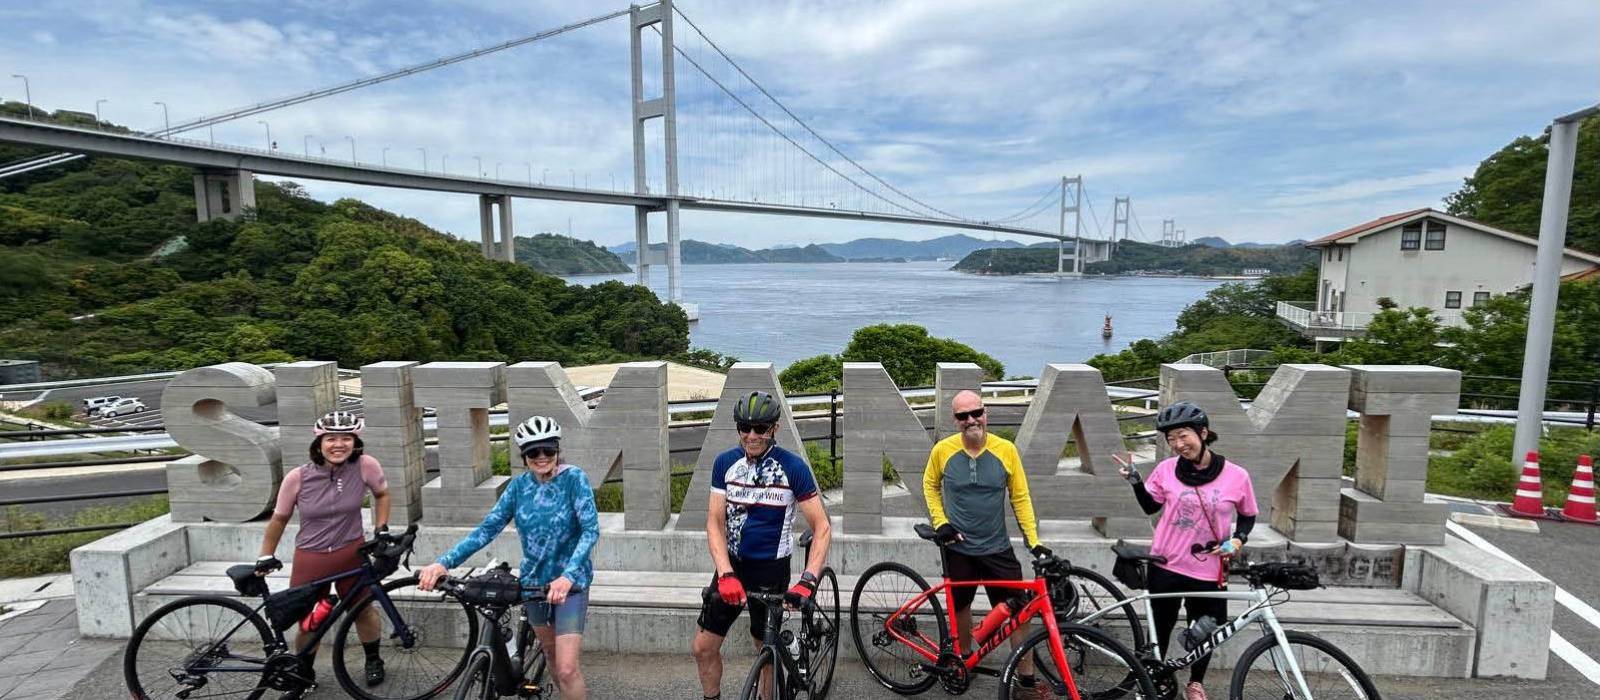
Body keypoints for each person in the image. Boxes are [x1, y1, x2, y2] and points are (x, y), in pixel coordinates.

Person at [418, 416, 600, 700]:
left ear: (557, 450)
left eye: (548, 450)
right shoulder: (518, 488)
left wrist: (568, 576)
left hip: (571, 583)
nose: (542, 457)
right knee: (551, 655)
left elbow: (590, 531)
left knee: (566, 668)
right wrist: (443, 561)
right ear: (524, 456)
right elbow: (486, 530)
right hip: (533, 584)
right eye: (533, 452)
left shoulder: (574, 479)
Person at [691, 391, 832, 700]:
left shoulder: (792, 468)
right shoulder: (725, 463)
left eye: (760, 428)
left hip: (771, 568)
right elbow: (714, 522)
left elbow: (821, 526)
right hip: (732, 567)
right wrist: (725, 573)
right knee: (702, 647)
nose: (751, 435)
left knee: (763, 648)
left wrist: (808, 580)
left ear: (774, 429)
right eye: (745, 427)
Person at [1117, 400, 1259, 700]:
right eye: (1171, 439)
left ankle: (1196, 682)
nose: (1178, 444)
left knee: (1205, 631)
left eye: (1184, 435)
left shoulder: (1236, 475)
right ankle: (1155, 676)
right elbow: (1150, 506)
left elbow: (1248, 514)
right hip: (1165, 564)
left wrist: (1238, 540)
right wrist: (1135, 481)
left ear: (1203, 433)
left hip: (1209, 570)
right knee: (1161, 627)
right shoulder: (1166, 469)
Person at [923, 389, 1051, 695]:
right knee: (962, 606)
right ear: (955, 420)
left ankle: (1026, 680)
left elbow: (1020, 497)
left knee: (1018, 613)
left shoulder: (1005, 450)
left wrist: (1034, 541)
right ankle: (964, 662)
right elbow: (930, 485)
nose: (971, 420)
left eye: (976, 413)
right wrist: (940, 522)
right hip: (958, 548)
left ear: (985, 413)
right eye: (962, 416)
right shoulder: (943, 450)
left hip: (997, 548)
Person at [256, 410, 392, 698]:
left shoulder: (365, 466)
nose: (339, 444)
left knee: (363, 609)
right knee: (309, 617)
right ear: (319, 444)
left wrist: (381, 529)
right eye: (331, 438)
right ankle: (303, 672)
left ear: (356, 443)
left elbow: (382, 493)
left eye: (347, 438)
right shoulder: (298, 477)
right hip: (311, 556)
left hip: (351, 551)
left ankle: (373, 660)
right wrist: (265, 555)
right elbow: (279, 519)